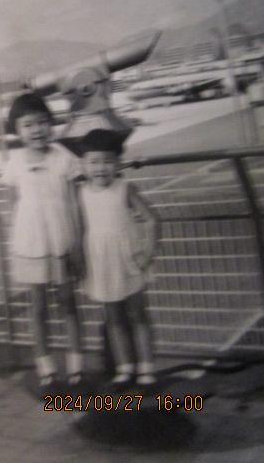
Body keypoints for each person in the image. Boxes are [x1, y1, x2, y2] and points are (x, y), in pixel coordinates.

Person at [1, 92, 84, 391]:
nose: (36, 130)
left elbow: (75, 204)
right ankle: (46, 367)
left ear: (51, 124)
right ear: (17, 130)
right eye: (28, 125)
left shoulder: (64, 158)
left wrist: (77, 243)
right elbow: (15, 206)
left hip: (62, 243)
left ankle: (76, 366)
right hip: (31, 246)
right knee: (37, 308)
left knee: (68, 305)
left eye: (42, 122)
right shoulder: (15, 162)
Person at [79, 128, 159, 387]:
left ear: (117, 163)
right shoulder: (79, 193)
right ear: (83, 164)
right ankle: (124, 368)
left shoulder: (124, 188)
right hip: (100, 263)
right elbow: (79, 230)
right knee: (112, 316)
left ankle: (146, 367)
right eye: (93, 162)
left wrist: (148, 252)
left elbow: (151, 219)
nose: (100, 168)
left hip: (127, 259)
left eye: (107, 161)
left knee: (137, 314)